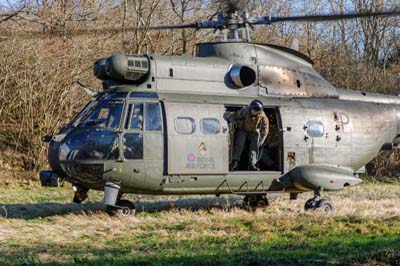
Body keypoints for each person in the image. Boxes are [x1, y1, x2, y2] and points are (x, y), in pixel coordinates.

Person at [228, 99, 269, 171]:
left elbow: (265, 129)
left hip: (254, 131)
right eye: (252, 109)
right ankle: (235, 161)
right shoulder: (245, 110)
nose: (253, 111)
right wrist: (230, 118)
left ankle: (252, 164)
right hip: (244, 129)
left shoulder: (262, 116)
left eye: (255, 110)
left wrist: (261, 141)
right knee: (240, 142)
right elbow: (236, 115)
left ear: (258, 111)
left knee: (255, 144)